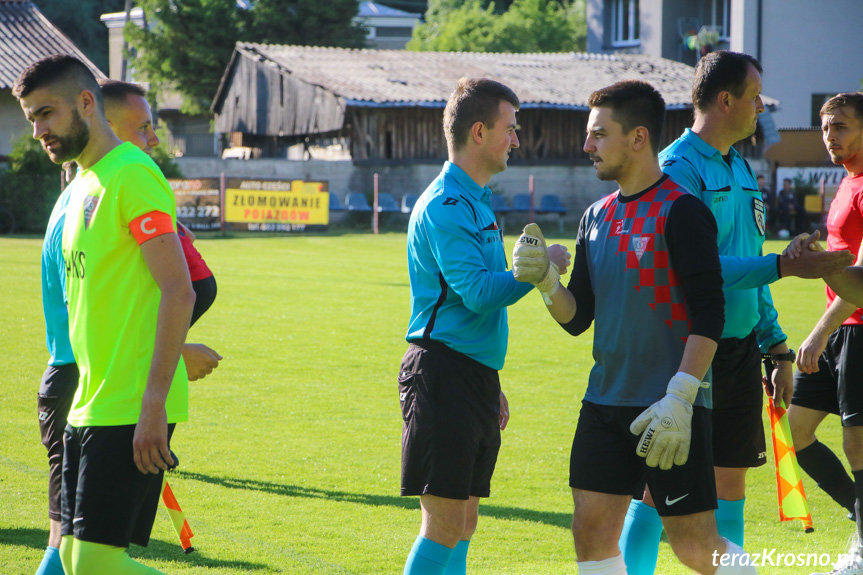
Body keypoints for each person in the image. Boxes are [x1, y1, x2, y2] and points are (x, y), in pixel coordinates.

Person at [617, 51, 853, 575]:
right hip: (688, 352)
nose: (761, 108)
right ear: (726, 101)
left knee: (731, 484)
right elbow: (697, 270)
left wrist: (775, 345)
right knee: (660, 489)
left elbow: (752, 267)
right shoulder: (676, 169)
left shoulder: (741, 168)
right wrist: (782, 265)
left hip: (742, 351)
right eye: (754, 98)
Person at [514, 79, 757, 574]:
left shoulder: (681, 209)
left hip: (671, 407)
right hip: (604, 403)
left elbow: (710, 312)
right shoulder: (595, 217)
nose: (587, 146)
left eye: (599, 134)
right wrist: (545, 282)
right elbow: (578, 317)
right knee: (591, 530)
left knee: (695, 547)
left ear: (638, 138)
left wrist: (681, 396)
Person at [15, 54, 194, 575]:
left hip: (132, 402)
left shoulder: (133, 175)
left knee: (94, 561)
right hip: (88, 402)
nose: (39, 130)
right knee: (72, 559)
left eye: (47, 113)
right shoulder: (81, 188)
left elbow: (178, 291)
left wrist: (154, 404)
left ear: (86, 103)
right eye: (32, 119)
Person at [398, 77, 568, 575]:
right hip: (442, 375)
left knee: (465, 521)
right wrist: (536, 271)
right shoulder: (446, 204)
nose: (516, 140)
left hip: (470, 374)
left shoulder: (475, 198)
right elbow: (476, 293)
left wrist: (489, 381)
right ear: (478, 132)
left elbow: (478, 301)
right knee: (444, 523)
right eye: (510, 129)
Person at [785, 92, 863, 575]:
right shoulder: (845, 181)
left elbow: (859, 282)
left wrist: (816, 335)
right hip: (840, 328)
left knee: (857, 444)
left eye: (841, 127)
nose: (830, 136)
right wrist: (809, 252)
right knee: (795, 431)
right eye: (826, 127)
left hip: (856, 326)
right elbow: (841, 259)